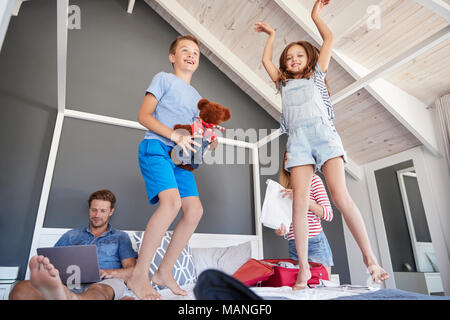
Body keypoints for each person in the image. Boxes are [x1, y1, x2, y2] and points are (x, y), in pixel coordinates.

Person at [255, 0, 389, 289]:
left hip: (324, 137)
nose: (293, 59)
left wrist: (315, 15)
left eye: (299, 55)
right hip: (299, 143)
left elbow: (328, 38)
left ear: (309, 59)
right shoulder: (283, 84)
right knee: (299, 204)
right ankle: (303, 268)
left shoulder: (318, 76)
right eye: (288, 56)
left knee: (341, 198)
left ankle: (370, 260)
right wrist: (272, 37)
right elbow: (266, 62)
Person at [126, 35, 205, 300]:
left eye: (195, 52)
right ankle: (140, 274)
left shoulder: (198, 98)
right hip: (157, 148)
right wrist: (174, 136)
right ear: (173, 57)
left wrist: (209, 138)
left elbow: (194, 136)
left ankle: (164, 273)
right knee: (171, 204)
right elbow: (143, 116)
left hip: (180, 158)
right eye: (185, 50)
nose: (191, 54)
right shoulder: (163, 79)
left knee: (194, 210)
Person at [9, 189, 137, 300]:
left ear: (111, 212)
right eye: (94, 210)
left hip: (105, 282)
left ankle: (71, 296)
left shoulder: (120, 237)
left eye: (103, 211)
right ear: (89, 210)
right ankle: (68, 295)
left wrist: (108, 272)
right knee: (21, 288)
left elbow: (132, 270)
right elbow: (52, 261)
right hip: (70, 281)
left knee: (97, 291)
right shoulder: (71, 235)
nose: (97, 215)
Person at [275, 152, 334, 279]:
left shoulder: (314, 180)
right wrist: (281, 230)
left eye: (292, 157)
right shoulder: (286, 187)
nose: (289, 162)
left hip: (315, 243)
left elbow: (328, 214)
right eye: (286, 159)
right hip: (293, 244)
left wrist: (299, 197)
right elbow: (286, 218)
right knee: (302, 290)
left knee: (323, 287)